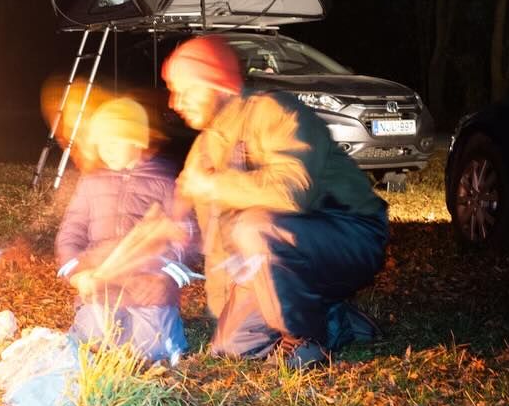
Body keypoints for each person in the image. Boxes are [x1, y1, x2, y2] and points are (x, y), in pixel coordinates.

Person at [162, 35, 387, 367]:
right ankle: (334, 318)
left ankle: (305, 341)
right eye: (173, 91)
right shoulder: (205, 148)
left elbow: (290, 191)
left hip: (351, 232)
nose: (174, 102)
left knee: (253, 227)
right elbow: (196, 227)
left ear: (219, 84)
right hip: (277, 252)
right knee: (233, 345)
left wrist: (213, 184)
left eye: (186, 89)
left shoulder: (273, 111)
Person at [54, 97, 197, 364]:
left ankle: (160, 329)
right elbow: (70, 233)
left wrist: (164, 280)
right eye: (101, 144)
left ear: (137, 141)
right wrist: (77, 273)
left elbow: (185, 238)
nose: (105, 150)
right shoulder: (91, 183)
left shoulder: (164, 183)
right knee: (93, 341)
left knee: (153, 351)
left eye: (113, 141)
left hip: (147, 288)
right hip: (103, 285)